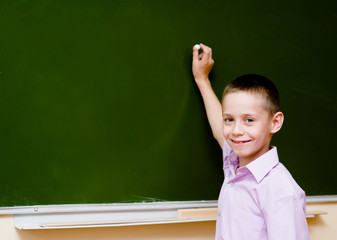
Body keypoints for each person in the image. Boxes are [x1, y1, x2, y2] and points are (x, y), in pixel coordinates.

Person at [192, 43, 309, 240]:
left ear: (275, 123)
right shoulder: (234, 164)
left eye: (249, 120)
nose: (237, 131)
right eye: (229, 119)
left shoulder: (279, 191)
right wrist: (202, 80)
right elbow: (218, 128)